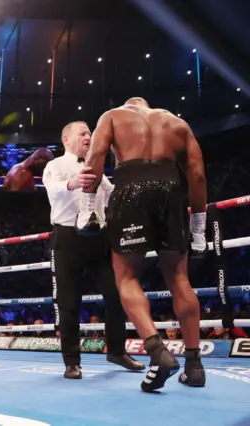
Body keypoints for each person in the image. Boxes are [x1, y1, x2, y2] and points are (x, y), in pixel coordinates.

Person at [78, 97, 207, 392]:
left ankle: (157, 351)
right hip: (171, 190)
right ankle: (194, 365)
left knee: (125, 275)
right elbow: (197, 176)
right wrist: (198, 229)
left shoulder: (112, 116)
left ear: (129, 105)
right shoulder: (178, 123)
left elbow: (95, 158)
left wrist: (88, 209)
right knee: (179, 276)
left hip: (131, 188)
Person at [42, 121, 144, 379]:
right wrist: (72, 183)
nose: (88, 136)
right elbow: (52, 190)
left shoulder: (99, 169)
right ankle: (72, 362)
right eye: (82, 133)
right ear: (66, 139)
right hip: (67, 238)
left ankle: (117, 351)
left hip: (98, 238)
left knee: (116, 294)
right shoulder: (55, 166)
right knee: (69, 303)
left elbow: (112, 195)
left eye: (90, 133)